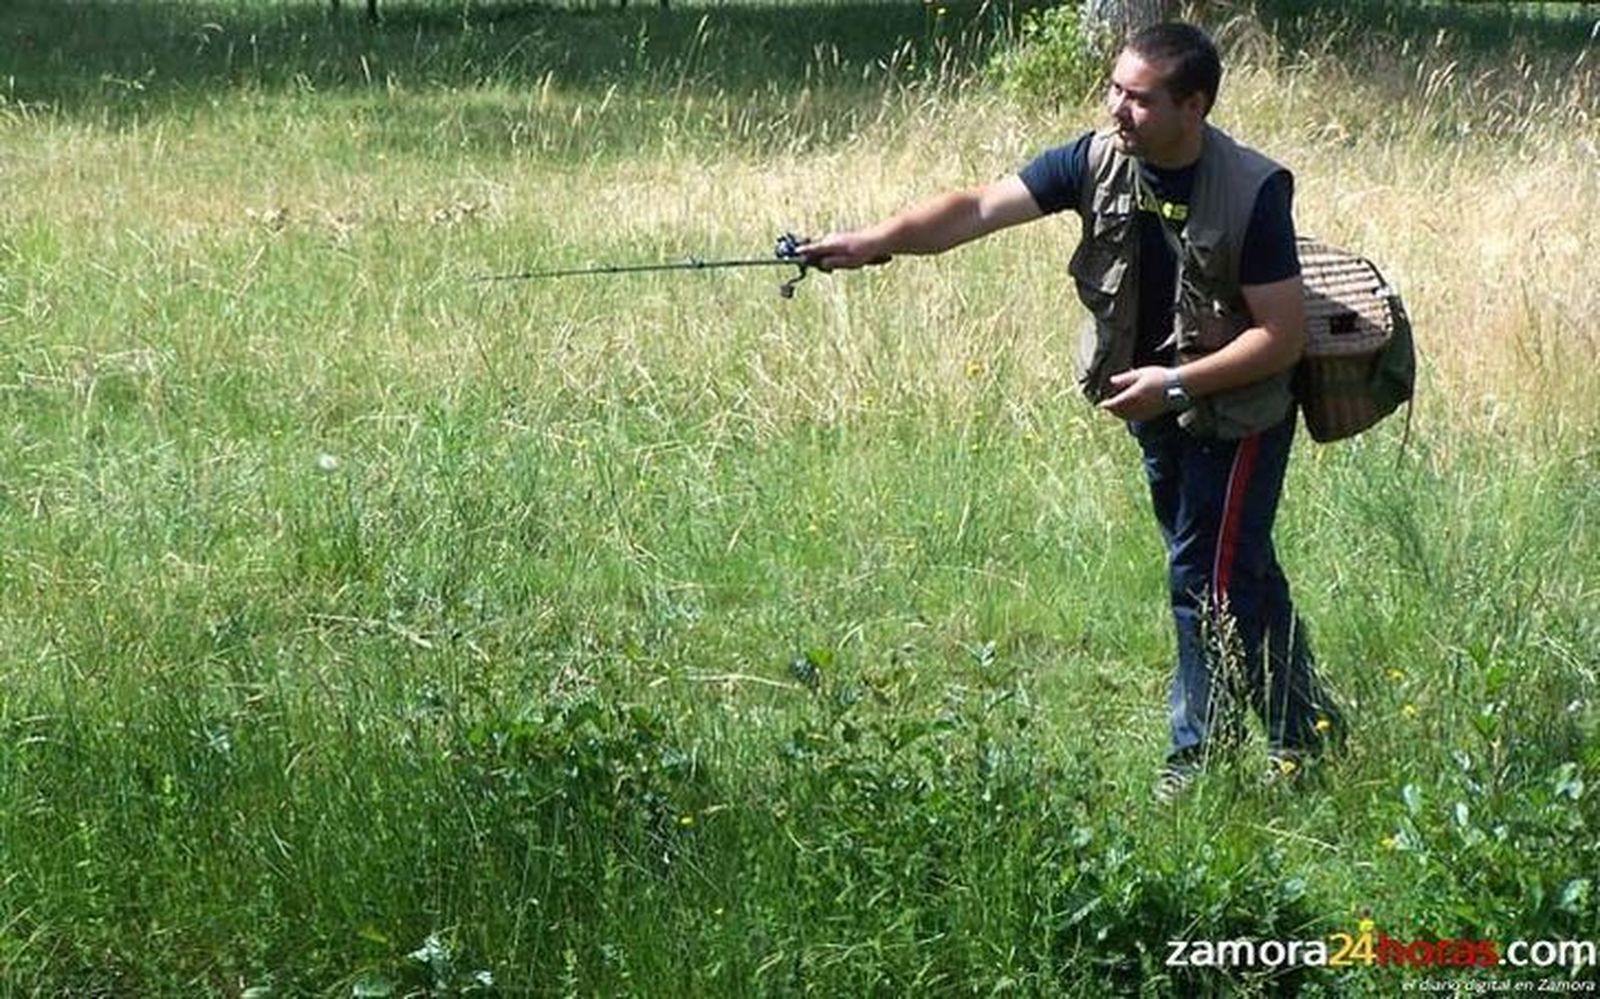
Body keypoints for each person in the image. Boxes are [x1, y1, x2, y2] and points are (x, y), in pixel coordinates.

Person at [798, 22, 1344, 800]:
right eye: (1114, 88)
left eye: (1139, 97)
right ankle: (1310, 733)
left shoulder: (1254, 191)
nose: (1117, 107)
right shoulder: (1095, 157)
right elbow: (978, 209)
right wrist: (871, 241)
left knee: (1204, 577)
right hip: (1152, 404)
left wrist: (1179, 383)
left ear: (1195, 105)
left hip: (1238, 414)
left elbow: (1281, 338)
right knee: (1235, 571)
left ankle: (1197, 762)